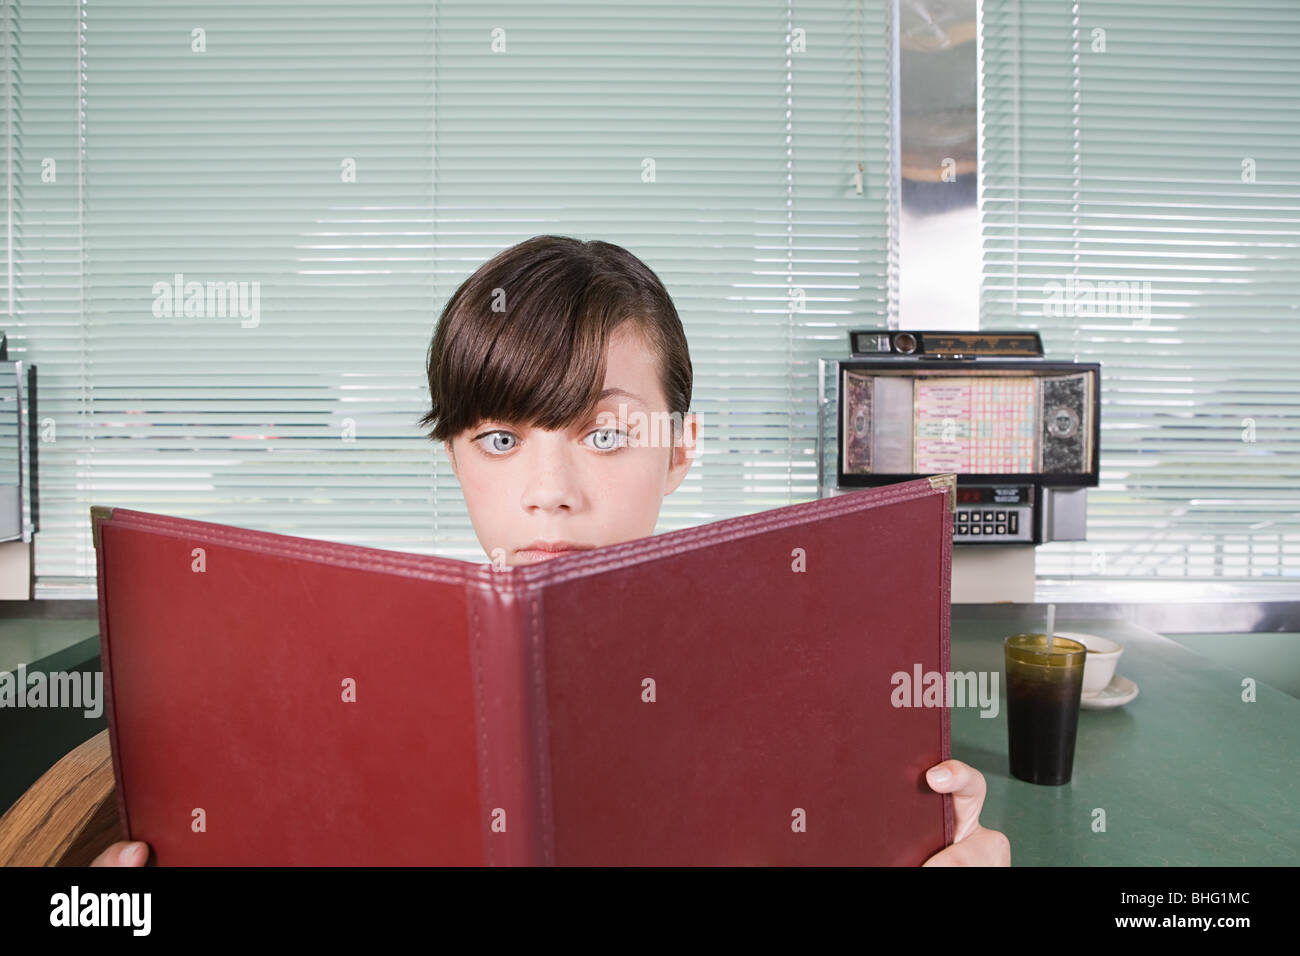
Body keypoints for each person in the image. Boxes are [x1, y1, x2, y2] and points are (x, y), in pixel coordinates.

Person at [94, 235, 1010, 867]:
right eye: (498, 441)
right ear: (454, 458)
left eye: (604, 436)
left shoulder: (823, 696)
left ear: (681, 448)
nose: (549, 490)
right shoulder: (322, 695)